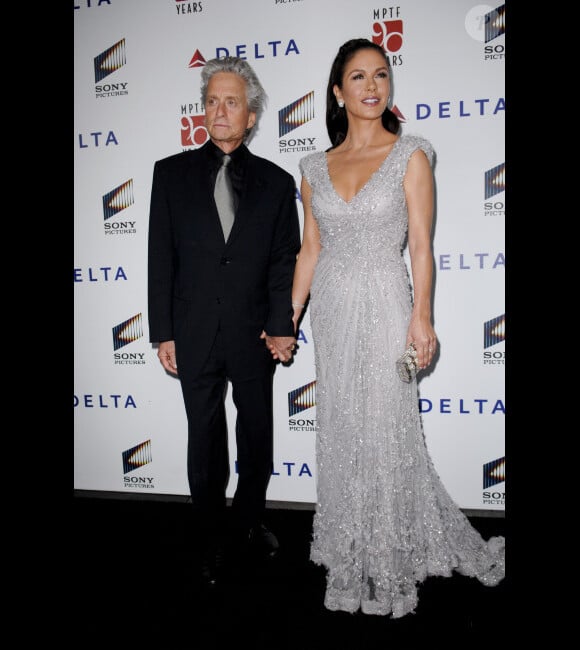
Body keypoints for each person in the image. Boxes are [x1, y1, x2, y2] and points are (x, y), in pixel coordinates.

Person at [290, 38, 505, 618]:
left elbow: (421, 246)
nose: (371, 86)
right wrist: (287, 317)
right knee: (341, 426)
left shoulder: (411, 154)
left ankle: (388, 560)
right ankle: (348, 553)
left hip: (387, 300)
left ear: (389, 86)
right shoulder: (312, 167)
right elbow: (310, 251)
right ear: (337, 92)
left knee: (386, 428)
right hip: (333, 306)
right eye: (357, 77)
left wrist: (422, 315)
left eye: (380, 75)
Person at [147, 56, 301, 587]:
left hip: (255, 332)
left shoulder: (279, 185)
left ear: (251, 115)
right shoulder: (168, 174)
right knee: (204, 438)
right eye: (212, 100)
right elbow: (160, 257)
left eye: (231, 101)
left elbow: (285, 260)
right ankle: (211, 533)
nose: (220, 110)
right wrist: (162, 331)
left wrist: (282, 324)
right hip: (192, 333)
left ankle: (248, 521)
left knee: (256, 433)